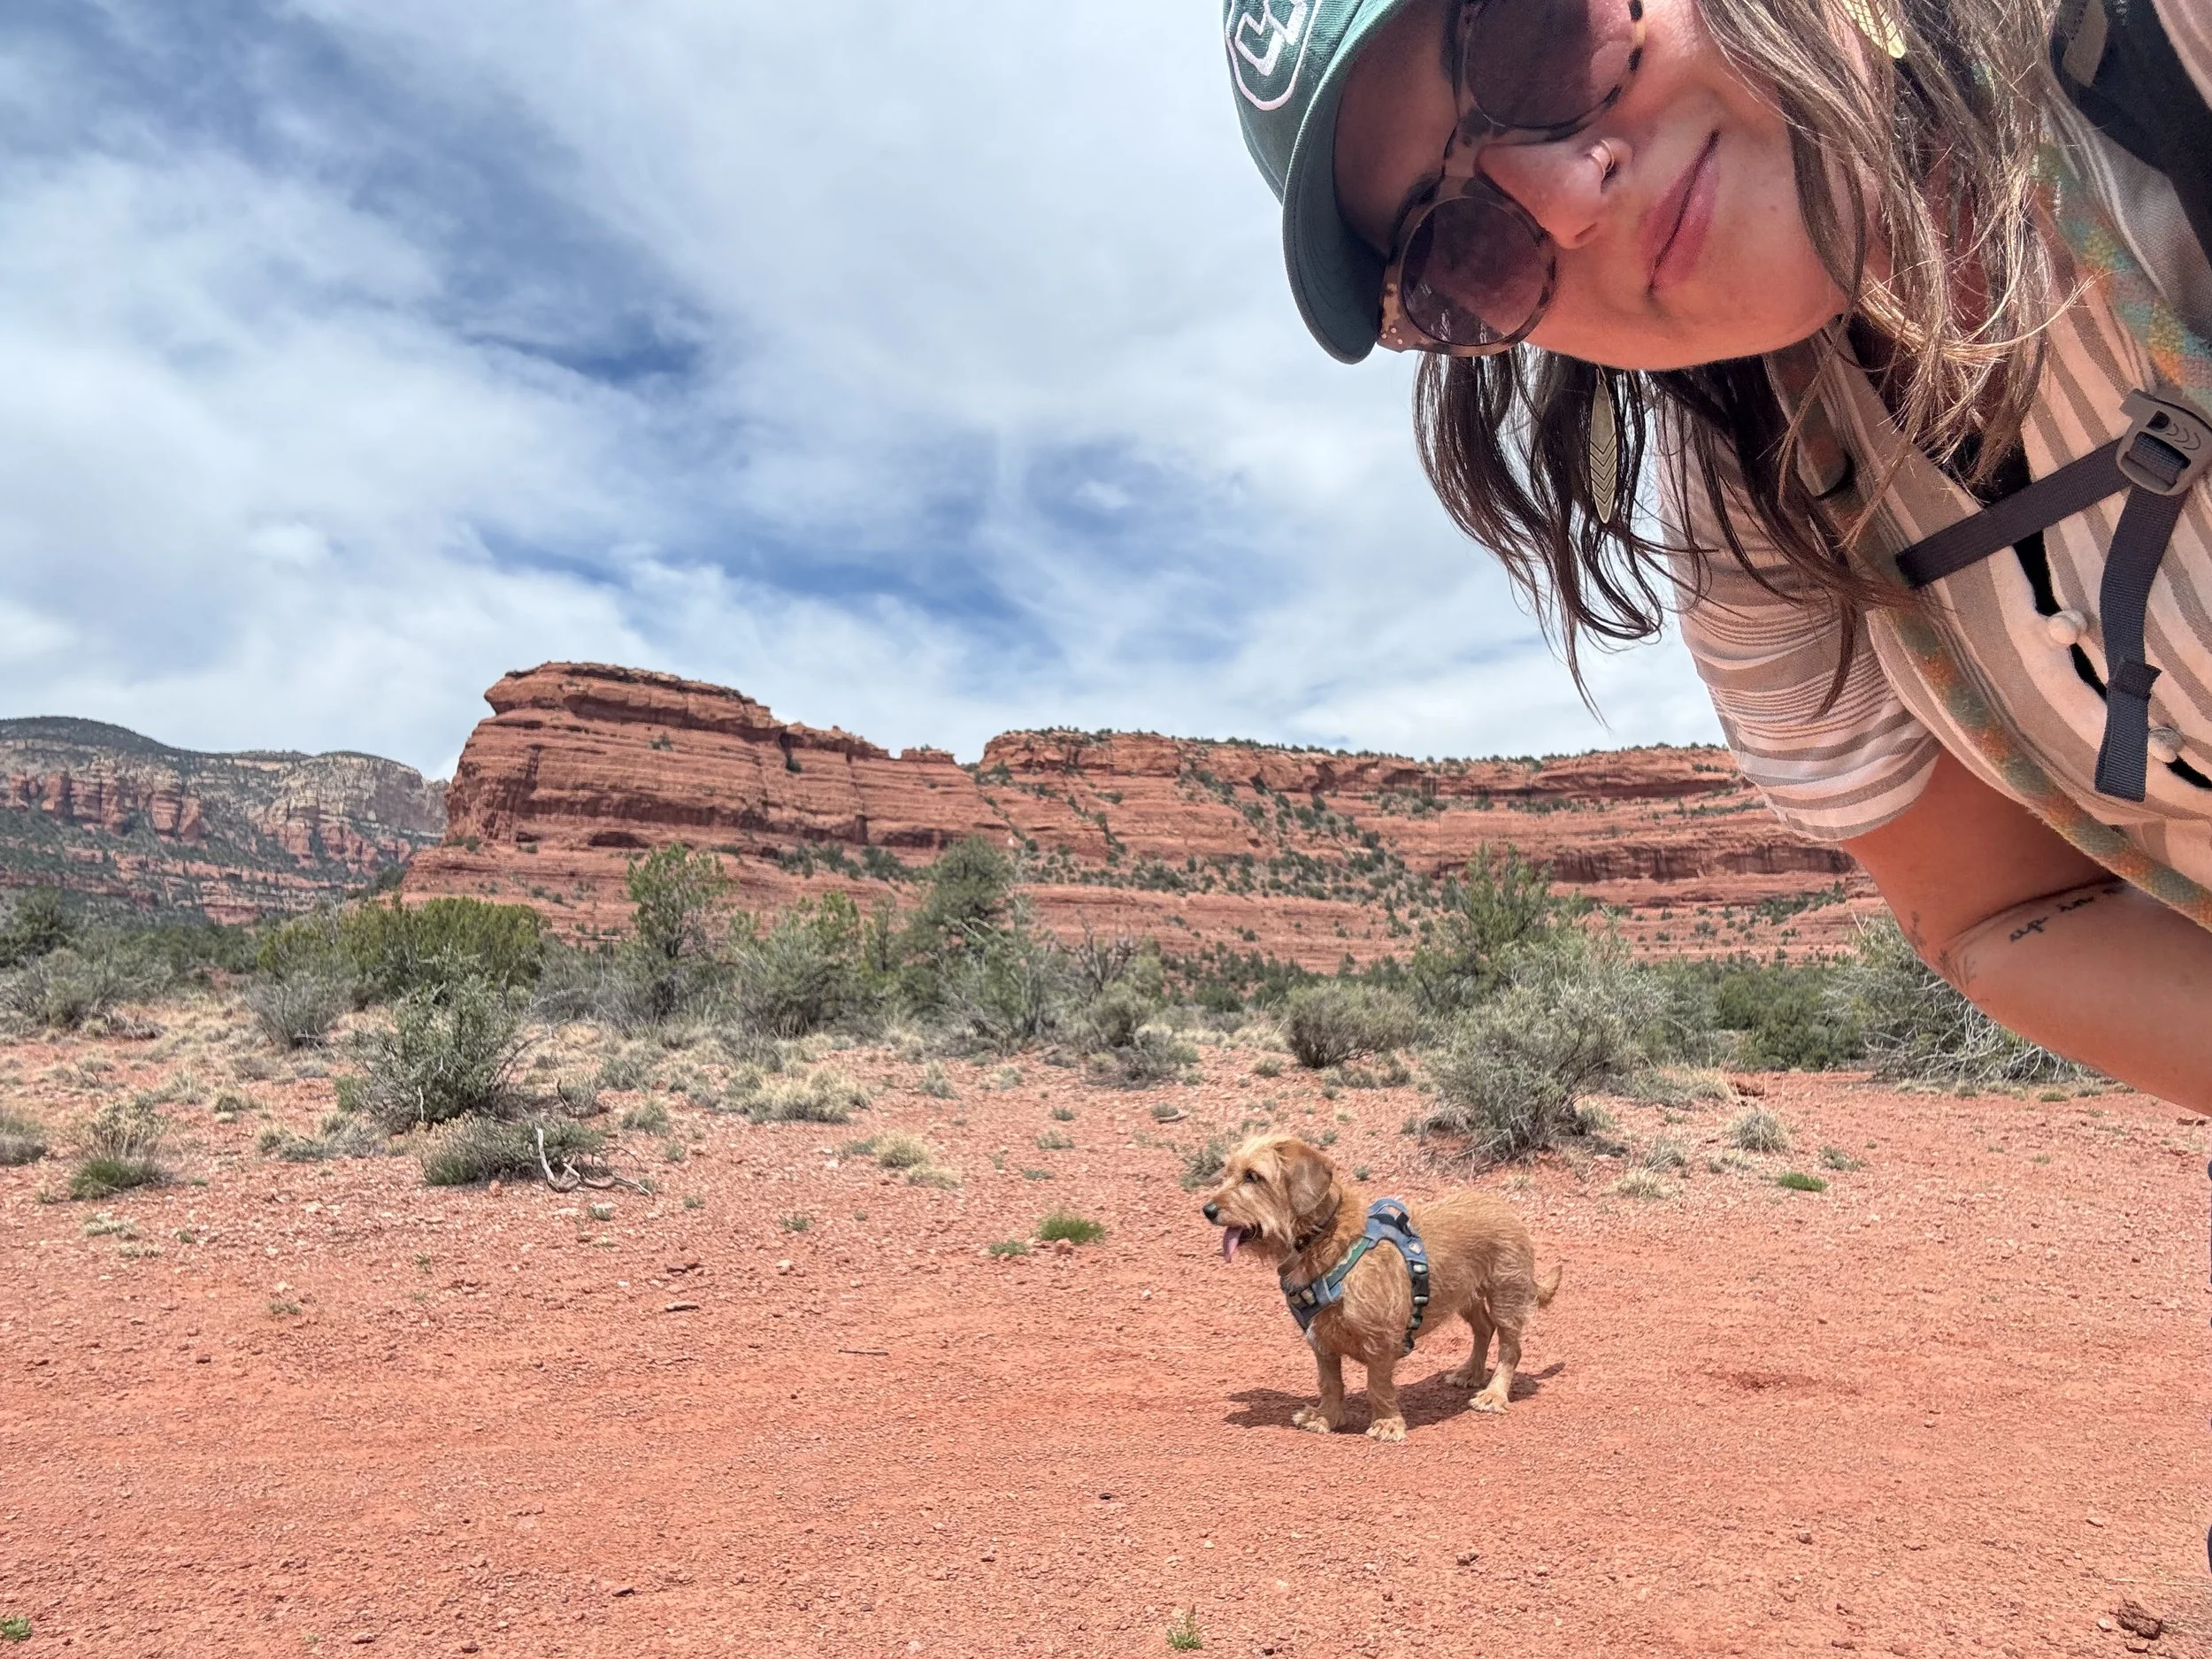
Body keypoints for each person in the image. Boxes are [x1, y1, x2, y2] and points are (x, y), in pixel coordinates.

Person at [1222, 0, 2212, 1109]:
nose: (1568, 201)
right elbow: (1996, 910)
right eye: (1459, 252)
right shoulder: (1757, 509)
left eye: (1535, 39)